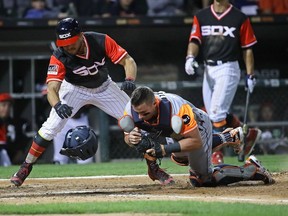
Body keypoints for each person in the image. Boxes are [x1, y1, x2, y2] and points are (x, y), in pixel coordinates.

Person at [10, 17, 137, 187]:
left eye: (71, 42)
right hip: (74, 89)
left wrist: (129, 78)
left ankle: (153, 167)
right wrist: (57, 105)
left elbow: (128, 60)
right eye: (64, 44)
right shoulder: (59, 55)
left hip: (105, 87)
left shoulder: (100, 40)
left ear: (80, 36)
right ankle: (26, 167)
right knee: (50, 127)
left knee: (137, 121)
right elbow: (52, 88)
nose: (68, 47)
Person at [118, 86, 274, 186]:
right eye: (138, 113)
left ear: (155, 103)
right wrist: (131, 139)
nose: (141, 118)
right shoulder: (131, 110)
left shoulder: (175, 108)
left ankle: (252, 169)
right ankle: (229, 137)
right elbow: (128, 137)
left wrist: (164, 149)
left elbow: (195, 141)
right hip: (174, 131)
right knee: (180, 158)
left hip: (197, 126)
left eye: (145, 113)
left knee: (200, 179)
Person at [184, 0, 261, 165]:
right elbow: (194, 40)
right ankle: (247, 135)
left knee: (217, 113)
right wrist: (190, 57)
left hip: (228, 67)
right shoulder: (202, 16)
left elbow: (247, 47)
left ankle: (216, 154)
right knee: (210, 115)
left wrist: (250, 74)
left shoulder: (239, 17)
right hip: (208, 69)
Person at [0, 93, 31, 166]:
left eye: (9, 106)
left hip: (11, 156)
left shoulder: (15, 123)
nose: (7, 108)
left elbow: (21, 141)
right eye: (3, 105)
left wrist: (20, 151)